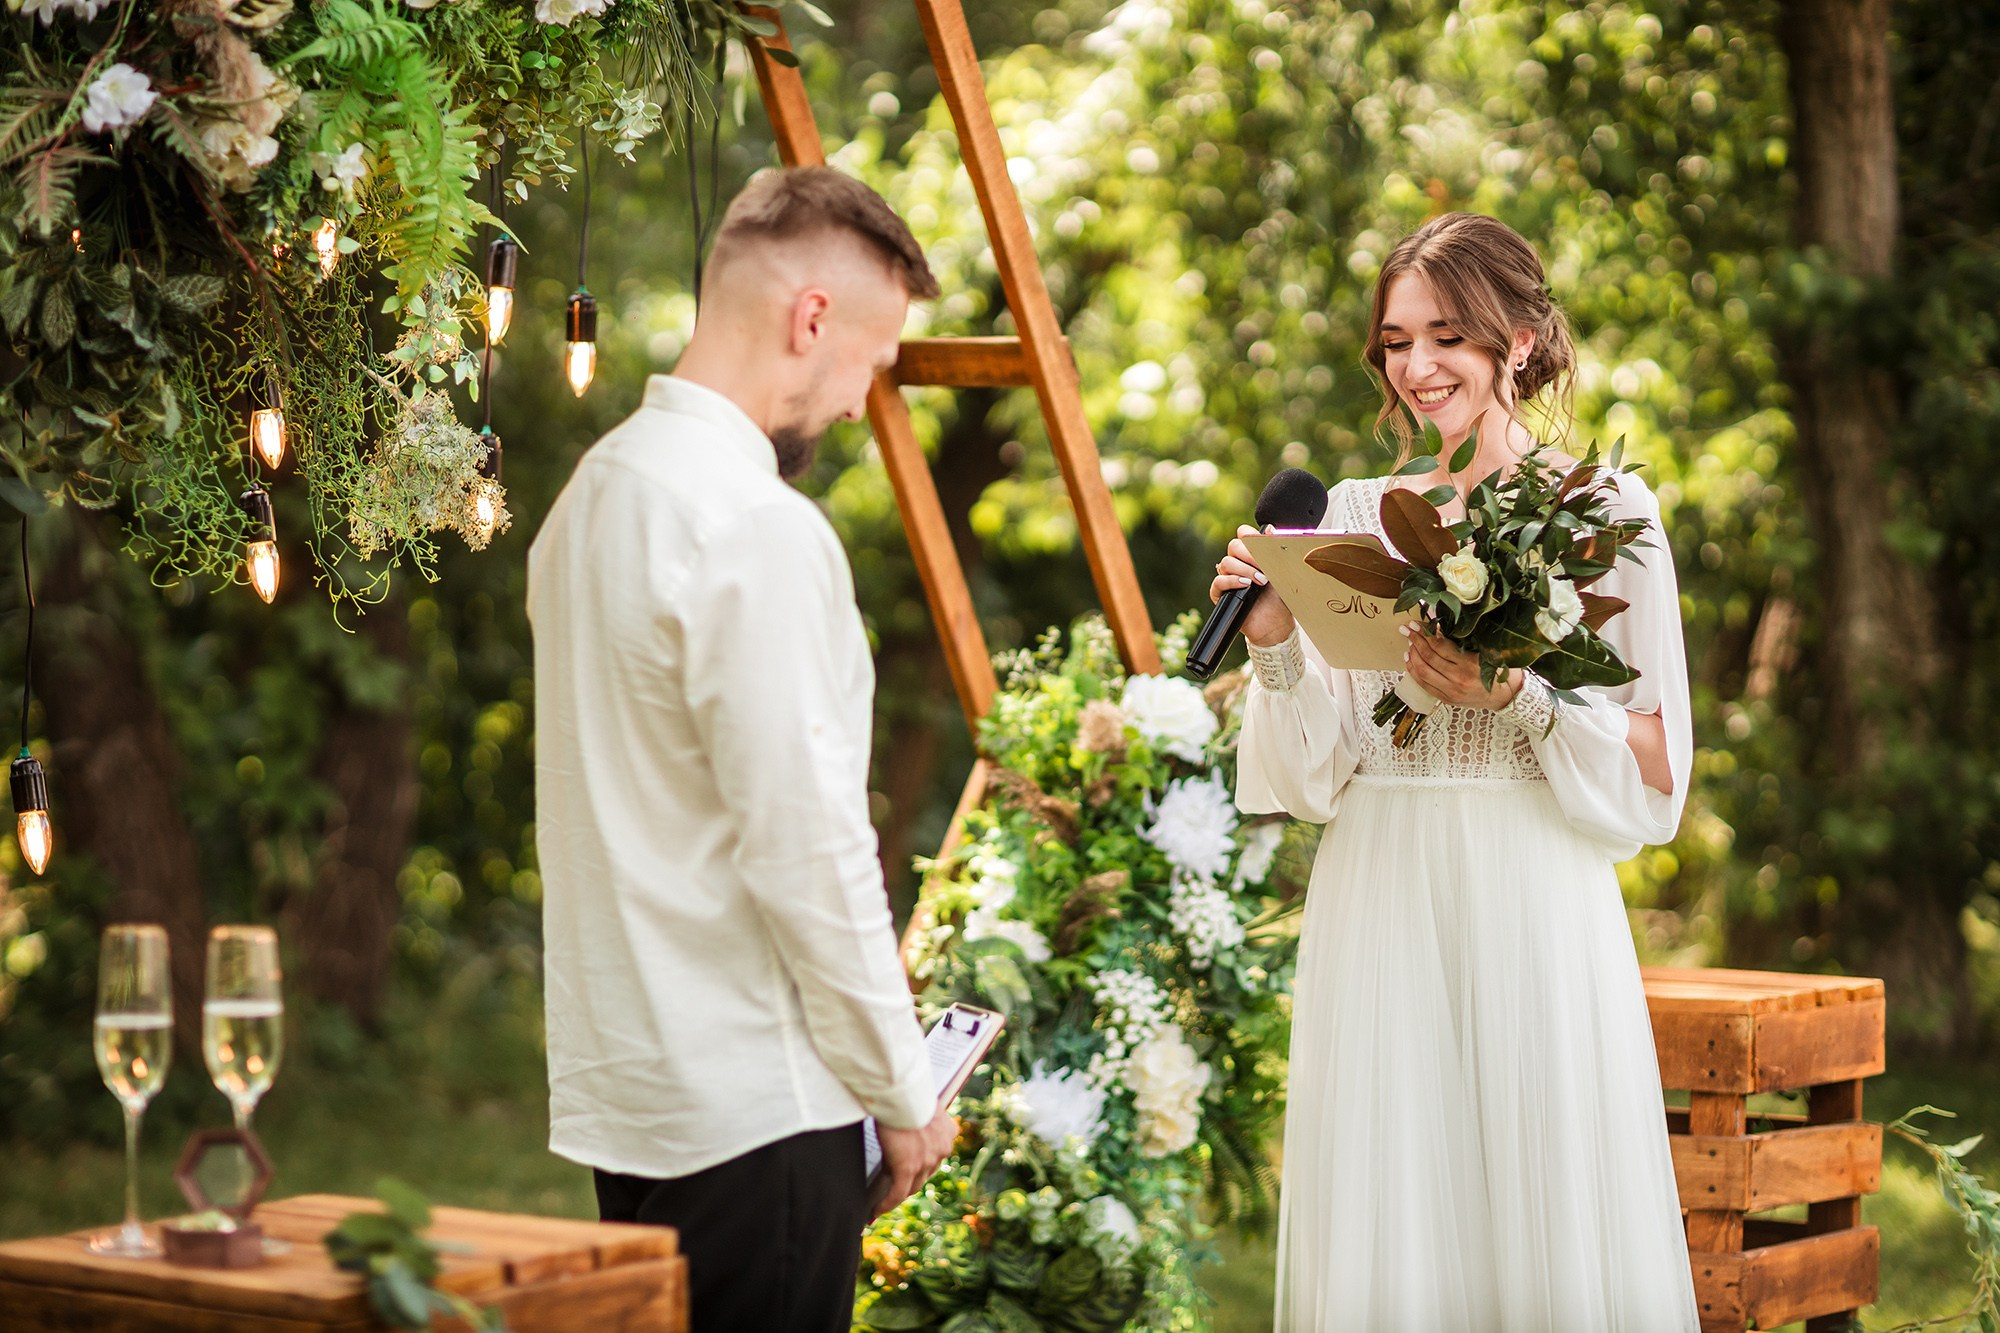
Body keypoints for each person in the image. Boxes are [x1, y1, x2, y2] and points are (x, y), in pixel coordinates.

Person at [1213, 212, 1700, 1331]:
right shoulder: (1349, 515)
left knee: (1539, 1215)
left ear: (1516, 341)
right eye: (1395, 341)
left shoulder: (1605, 512)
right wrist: (1272, 641)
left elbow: (1658, 762)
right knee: (1392, 1218)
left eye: (1446, 336)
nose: (1417, 366)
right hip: (1379, 894)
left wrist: (1519, 697)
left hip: (1530, 893)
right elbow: (1314, 780)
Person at [528, 167, 958, 1332]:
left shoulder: (589, 500)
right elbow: (806, 851)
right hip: (760, 1111)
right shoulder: (755, 523)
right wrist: (901, 1089)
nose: (861, 403)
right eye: (871, 363)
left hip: (634, 1102)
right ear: (811, 318)